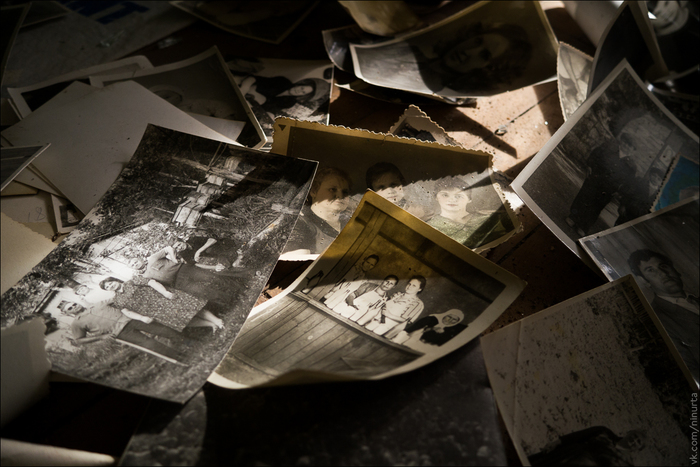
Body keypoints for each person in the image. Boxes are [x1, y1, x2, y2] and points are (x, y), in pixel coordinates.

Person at [565, 109, 650, 237]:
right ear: (622, 142)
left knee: (596, 207)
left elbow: (628, 183)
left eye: (630, 147)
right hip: (594, 179)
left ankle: (583, 225)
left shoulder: (631, 167)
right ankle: (573, 217)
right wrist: (589, 165)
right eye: (625, 143)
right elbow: (595, 154)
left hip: (608, 190)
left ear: (633, 151)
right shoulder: (609, 148)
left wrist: (619, 192)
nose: (626, 146)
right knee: (584, 197)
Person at [628, 249, 699, 383]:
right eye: (651, 270)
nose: (663, 273)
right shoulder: (658, 320)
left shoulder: (697, 300)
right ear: (644, 281)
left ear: (675, 270)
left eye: (664, 266)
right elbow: (690, 371)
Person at [411, 21, 532, 94]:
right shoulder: (414, 52)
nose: (468, 51)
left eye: (484, 55)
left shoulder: (437, 91)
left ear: (488, 72)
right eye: (477, 41)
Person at [63, 300, 193, 364]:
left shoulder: (98, 304)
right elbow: (79, 340)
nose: (74, 306)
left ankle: (191, 343)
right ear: (67, 313)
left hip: (132, 320)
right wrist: (102, 337)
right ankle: (183, 358)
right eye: (70, 308)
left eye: (74, 304)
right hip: (121, 333)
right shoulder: (76, 324)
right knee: (151, 344)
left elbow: (118, 299)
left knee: (165, 331)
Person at [283, 167, 353, 255]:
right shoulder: (299, 224)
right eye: (332, 189)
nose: (340, 196)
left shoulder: (351, 224)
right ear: (313, 191)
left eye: (345, 192)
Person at [98, 276, 207, 332]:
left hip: (164, 300)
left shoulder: (132, 281)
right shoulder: (117, 299)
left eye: (110, 283)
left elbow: (151, 282)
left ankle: (215, 321)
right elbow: (127, 312)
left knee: (193, 309)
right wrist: (141, 318)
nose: (110, 286)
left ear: (115, 280)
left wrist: (165, 292)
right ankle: (210, 325)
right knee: (182, 320)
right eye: (107, 287)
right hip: (154, 312)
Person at [427, 177, 506, 248]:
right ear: (436, 197)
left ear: (469, 199)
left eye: (458, 196)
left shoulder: (489, 218)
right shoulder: (430, 227)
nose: (452, 200)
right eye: (445, 195)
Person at [528, 426, 646, 466]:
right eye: (635, 435)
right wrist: (557, 442)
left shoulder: (627, 464)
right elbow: (578, 436)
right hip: (563, 456)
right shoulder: (604, 431)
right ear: (629, 432)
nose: (634, 440)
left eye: (638, 442)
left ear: (639, 449)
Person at [393, 309, 465, 347]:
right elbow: (408, 331)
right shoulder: (430, 319)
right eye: (449, 317)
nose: (450, 320)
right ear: (445, 315)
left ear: (457, 322)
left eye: (454, 320)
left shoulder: (450, 331)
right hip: (405, 341)